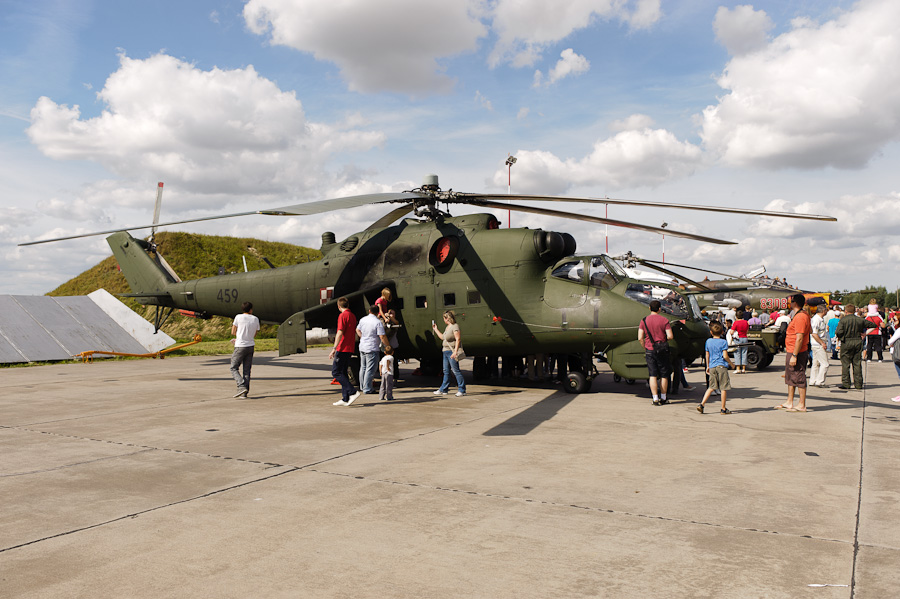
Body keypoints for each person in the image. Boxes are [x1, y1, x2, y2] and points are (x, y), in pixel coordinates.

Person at [775, 294, 812, 412]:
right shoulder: (800, 315)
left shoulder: (801, 316)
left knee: (799, 376)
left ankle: (801, 404)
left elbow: (800, 337)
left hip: (797, 351)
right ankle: (789, 401)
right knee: (790, 376)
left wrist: (794, 355)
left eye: (791, 302)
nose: (790, 304)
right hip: (792, 350)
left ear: (795, 303)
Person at [638, 299, 674, 406]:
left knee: (652, 375)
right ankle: (663, 397)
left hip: (650, 349)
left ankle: (655, 398)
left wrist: (645, 346)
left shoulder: (643, 321)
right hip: (662, 349)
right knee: (664, 375)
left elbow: (640, 337)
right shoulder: (664, 320)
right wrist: (663, 340)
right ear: (659, 309)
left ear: (649, 308)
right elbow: (670, 336)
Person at [835, 304, 877, 390]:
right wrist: (865, 334)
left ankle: (846, 383)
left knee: (845, 364)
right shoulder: (860, 320)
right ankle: (858, 384)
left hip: (846, 342)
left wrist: (841, 338)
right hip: (857, 341)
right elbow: (874, 325)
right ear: (855, 311)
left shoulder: (843, 320)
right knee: (857, 363)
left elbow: (838, 332)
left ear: (846, 311)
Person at [697, 321, 735, 414]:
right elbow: (725, 356)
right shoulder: (723, 342)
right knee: (723, 388)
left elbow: (707, 354)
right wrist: (731, 364)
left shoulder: (708, 341)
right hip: (721, 366)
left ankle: (702, 404)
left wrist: (708, 365)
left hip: (712, 366)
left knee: (711, 387)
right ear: (722, 332)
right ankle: (723, 408)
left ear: (711, 332)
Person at [330, 297, 362, 406]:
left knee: (336, 372)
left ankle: (352, 392)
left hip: (342, 348)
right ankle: (345, 398)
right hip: (350, 348)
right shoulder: (352, 316)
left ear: (339, 306)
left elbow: (340, 332)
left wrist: (334, 348)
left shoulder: (342, 315)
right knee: (343, 372)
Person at [432, 310, 466, 396]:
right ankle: (444, 389)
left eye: (444, 318)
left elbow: (458, 339)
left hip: (451, 351)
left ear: (447, 318)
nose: (443, 320)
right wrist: (436, 329)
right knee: (446, 371)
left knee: (455, 371)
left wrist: (455, 352)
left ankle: (462, 390)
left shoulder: (455, 326)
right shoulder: (447, 327)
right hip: (445, 351)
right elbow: (443, 337)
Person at [230, 301, 260, 398]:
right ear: (251, 309)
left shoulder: (238, 317)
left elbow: (233, 331)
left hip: (240, 346)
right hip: (250, 346)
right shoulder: (255, 319)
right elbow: (255, 334)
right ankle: (244, 394)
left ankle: (241, 385)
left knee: (233, 367)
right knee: (247, 370)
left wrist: (238, 337)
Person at [357, 305, 389, 394]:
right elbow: (382, 336)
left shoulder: (363, 319)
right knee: (370, 369)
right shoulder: (377, 322)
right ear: (377, 312)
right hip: (372, 347)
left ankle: (362, 386)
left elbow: (357, 330)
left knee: (363, 367)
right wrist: (388, 346)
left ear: (369, 311)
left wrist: (363, 337)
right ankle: (367, 388)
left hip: (363, 346)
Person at [809, 304, 829, 387]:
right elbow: (814, 333)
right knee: (825, 364)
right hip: (818, 344)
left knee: (816, 363)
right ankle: (820, 381)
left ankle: (813, 380)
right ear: (823, 311)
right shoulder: (817, 320)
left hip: (815, 344)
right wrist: (822, 343)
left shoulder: (818, 319)